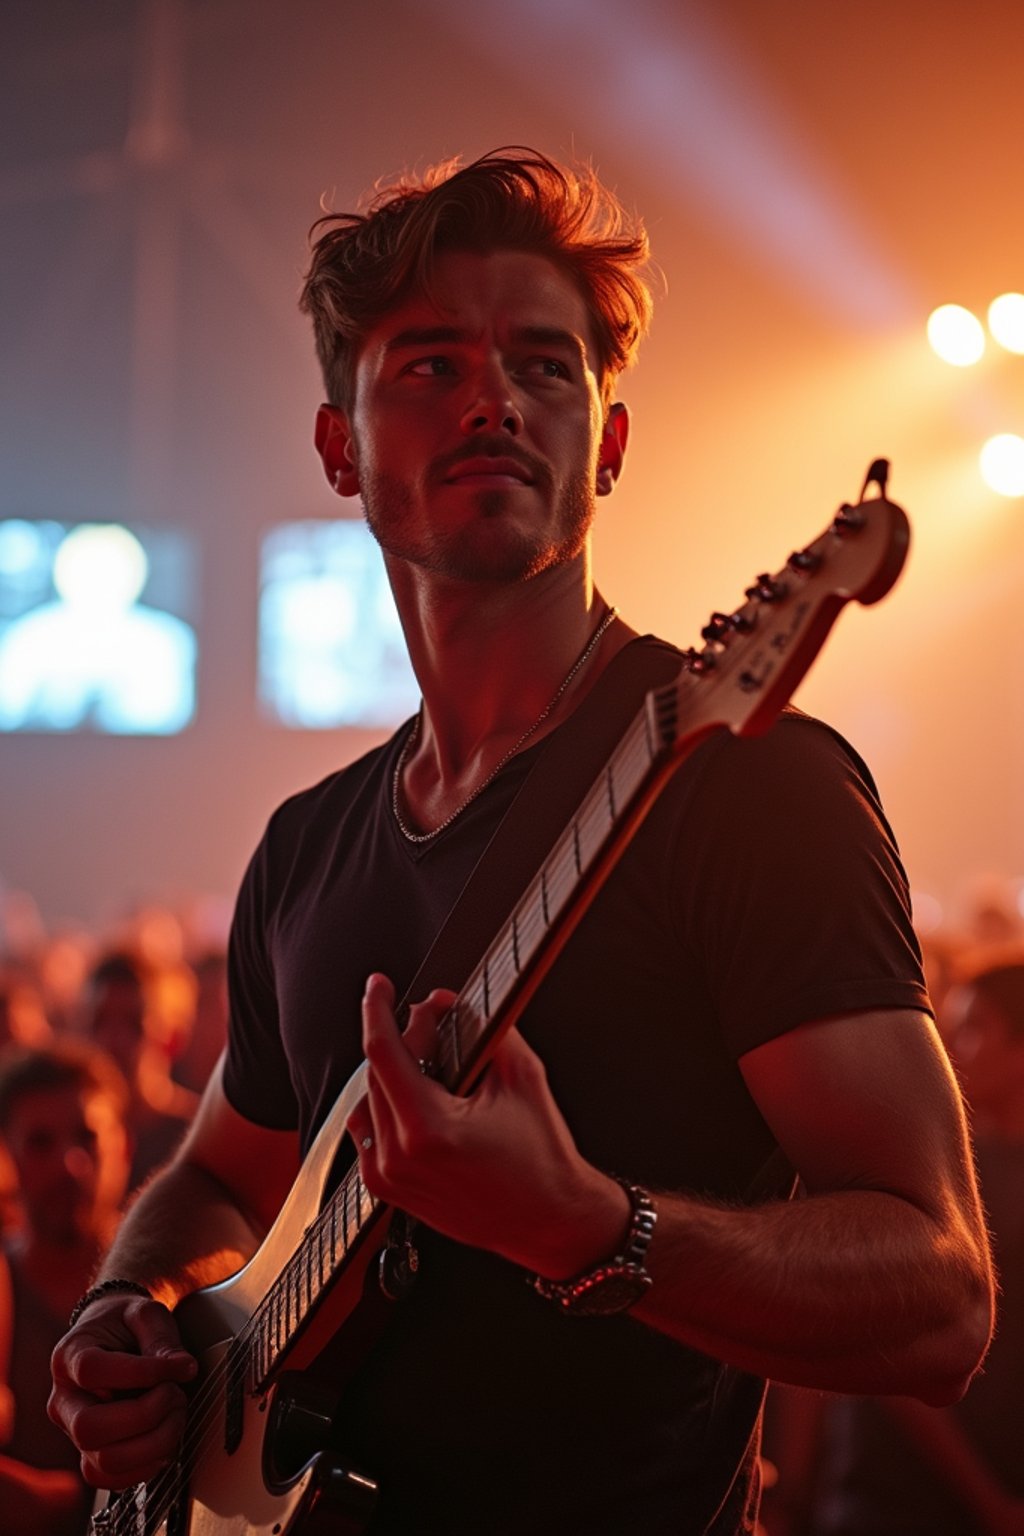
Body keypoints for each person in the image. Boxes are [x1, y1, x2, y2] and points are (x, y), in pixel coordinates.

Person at [48, 148, 994, 1535]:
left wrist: (596, 1230)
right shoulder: (306, 847)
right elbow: (210, 1177)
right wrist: (131, 1306)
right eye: (430, 364)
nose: (495, 396)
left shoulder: (747, 786)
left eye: (546, 367)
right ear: (337, 447)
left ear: (609, 443)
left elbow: (942, 1294)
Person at [0, 1040, 132, 1535]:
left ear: (124, 1146)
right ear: (6, 1153)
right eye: (40, 1142)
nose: (69, 1165)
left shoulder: (173, 1280)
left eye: (87, 1138)